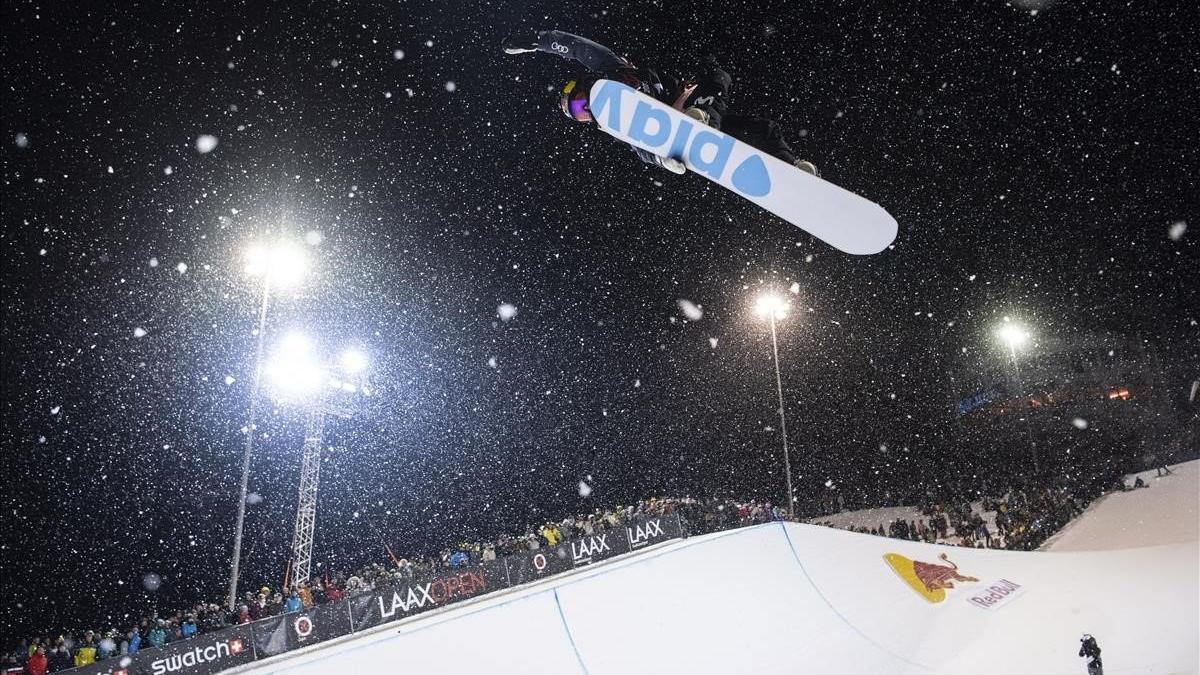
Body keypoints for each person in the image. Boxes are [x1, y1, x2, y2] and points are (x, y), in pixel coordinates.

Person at [502, 30, 818, 176]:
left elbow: (574, 46)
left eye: (581, 104)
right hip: (680, 127)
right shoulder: (618, 123)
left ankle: (792, 165)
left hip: (693, 104)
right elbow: (640, 145)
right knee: (755, 125)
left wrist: (534, 41)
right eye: (581, 115)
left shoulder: (610, 69)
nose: (588, 112)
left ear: (587, 87)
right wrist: (660, 160)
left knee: (731, 92)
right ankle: (700, 122)